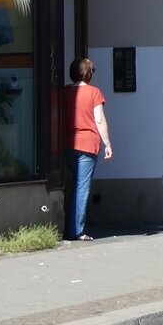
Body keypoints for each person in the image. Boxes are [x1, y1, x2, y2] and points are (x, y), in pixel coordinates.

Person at [65, 57, 111, 241]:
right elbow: (99, 119)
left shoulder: (65, 92)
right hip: (88, 144)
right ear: (88, 73)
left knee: (72, 184)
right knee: (82, 187)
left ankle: (67, 226)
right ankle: (76, 230)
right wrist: (107, 143)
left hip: (68, 142)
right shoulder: (94, 92)